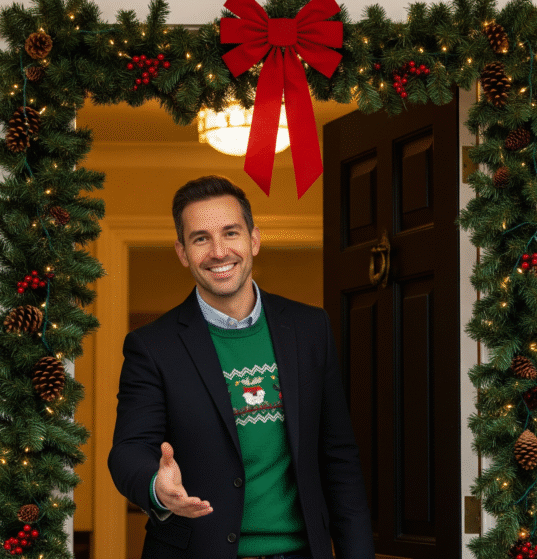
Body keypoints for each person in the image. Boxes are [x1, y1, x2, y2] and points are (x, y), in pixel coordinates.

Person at [108, 175, 374, 559]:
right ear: (182, 252)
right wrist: (156, 487)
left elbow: (339, 459)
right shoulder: (152, 347)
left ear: (254, 240)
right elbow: (129, 449)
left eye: (230, 233)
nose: (219, 252)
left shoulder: (310, 328)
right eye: (201, 238)